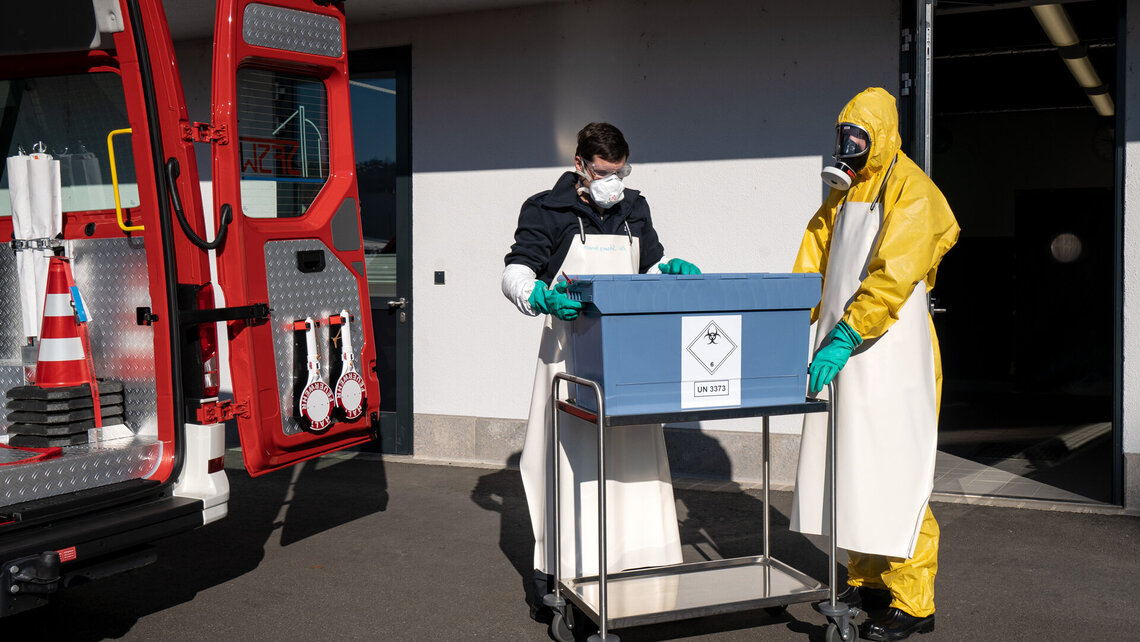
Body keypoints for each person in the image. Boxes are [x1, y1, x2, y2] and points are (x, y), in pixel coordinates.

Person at [501, 122, 700, 622]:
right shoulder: (545, 209)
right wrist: (536, 294)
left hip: (628, 357)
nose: (615, 181)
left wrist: (668, 270)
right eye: (605, 172)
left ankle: (636, 568)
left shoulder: (635, 208)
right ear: (580, 166)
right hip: (569, 355)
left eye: (622, 171)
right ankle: (557, 575)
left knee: (632, 465)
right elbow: (516, 269)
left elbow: (647, 268)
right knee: (565, 466)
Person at [790, 88, 959, 642]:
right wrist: (792, 318)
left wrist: (845, 333)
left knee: (894, 471)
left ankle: (914, 602)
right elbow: (814, 258)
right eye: (844, 138)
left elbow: (893, 274)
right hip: (845, 351)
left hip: (888, 353)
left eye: (859, 139)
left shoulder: (914, 190)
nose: (850, 149)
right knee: (851, 466)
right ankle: (868, 582)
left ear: (881, 135)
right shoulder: (843, 193)